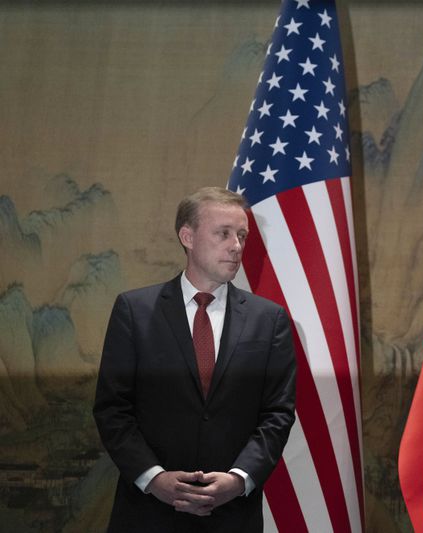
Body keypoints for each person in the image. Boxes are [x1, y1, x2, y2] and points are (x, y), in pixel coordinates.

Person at [93, 186, 296, 532]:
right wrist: (154, 478)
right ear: (187, 236)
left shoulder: (270, 319)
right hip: (147, 514)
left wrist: (238, 479)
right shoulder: (134, 311)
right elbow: (113, 408)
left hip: (233, 516)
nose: (237, 246)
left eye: (242, 235)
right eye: (224, 233)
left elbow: (277, 413)